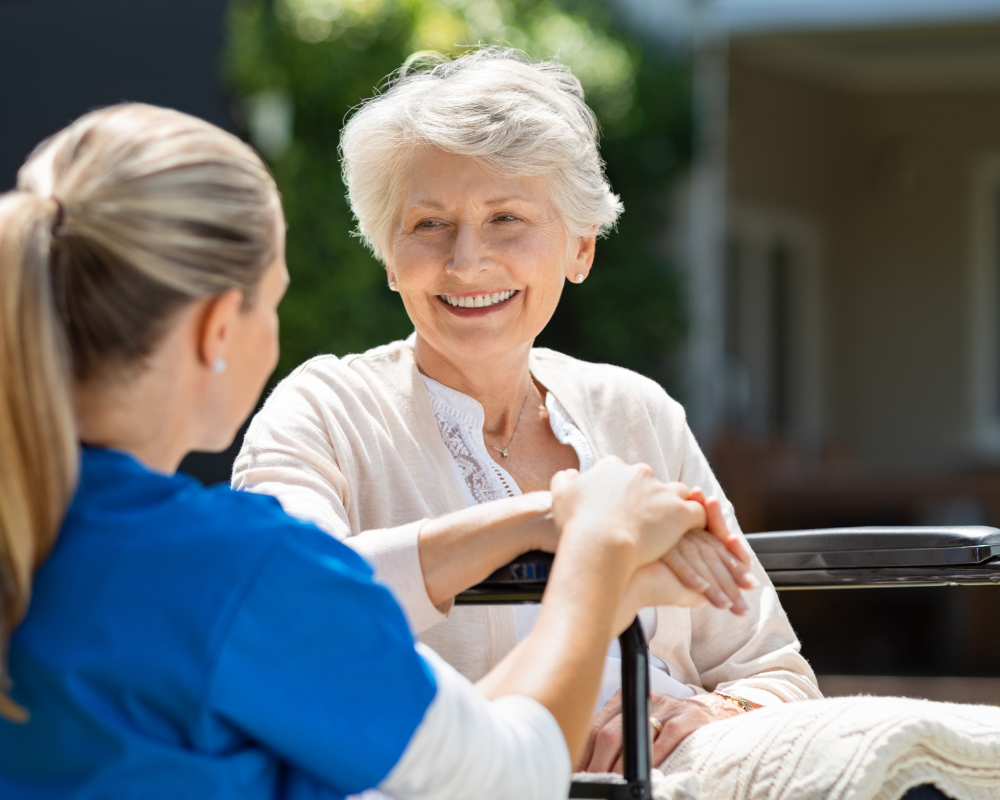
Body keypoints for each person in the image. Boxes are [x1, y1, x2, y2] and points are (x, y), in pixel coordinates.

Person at [0, 103, 750, 799]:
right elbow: (508, 775)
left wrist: (539, 525)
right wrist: (597, 550)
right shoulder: (240, 571)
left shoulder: (41, 536)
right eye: (277, 296)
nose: (466, 259)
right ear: (218, 330)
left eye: (506, 218)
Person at [231, 47, 821, 771]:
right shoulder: (322, 410)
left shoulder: (637, 413)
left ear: (580, 248)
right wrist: (550, 521)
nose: (467, 261)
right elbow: (289, 609)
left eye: (506, 218)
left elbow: (774, 672)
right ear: (389, 257)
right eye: (428, 225)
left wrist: (705, 711)